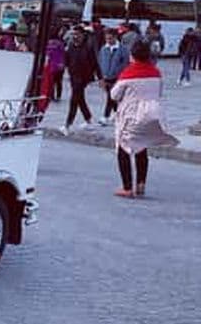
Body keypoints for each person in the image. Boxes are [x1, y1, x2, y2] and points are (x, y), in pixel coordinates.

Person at [110, 39, 178, 198]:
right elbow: (159, 92)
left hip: (131, 114)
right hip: (152, 114)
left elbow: (114, 94)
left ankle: (127, 187)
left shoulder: (129, 72)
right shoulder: (155, 72)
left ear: (132, 55)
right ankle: (141, 184)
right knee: (141, 146)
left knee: (123, 148)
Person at [61, 26, 100, 135]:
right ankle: (89, 120)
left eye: (78, 34)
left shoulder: (88, 47)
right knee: (80, 99)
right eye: (74, 34)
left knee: (74, 100)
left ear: (83, 35)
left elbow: (95, 63)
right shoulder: (70, 46)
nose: (75, 36)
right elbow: (67, 60)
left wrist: (100, 77)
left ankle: (67, 125)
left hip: (83, 77)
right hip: (73, 76)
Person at [96, 28, 128, 125]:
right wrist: (100, 77)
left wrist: (119, 73)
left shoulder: (122, 49)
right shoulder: (103, 49)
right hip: (106, 77)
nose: (108, 41)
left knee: (111, 97)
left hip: (117, 78)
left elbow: (125, 63)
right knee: (111, 97)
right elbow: (100, 62)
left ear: (115, 37)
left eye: (110, 39)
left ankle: (105, 116)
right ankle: (117, 114)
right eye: (107, 39)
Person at [45, 30, 66, 101]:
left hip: (51, 65)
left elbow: (47, 54)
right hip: (60, 65)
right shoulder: (60, 44)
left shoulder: (47, 44)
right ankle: (58, 96)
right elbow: (63, 53)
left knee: (51, 82)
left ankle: (51, 95)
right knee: (59, 82)